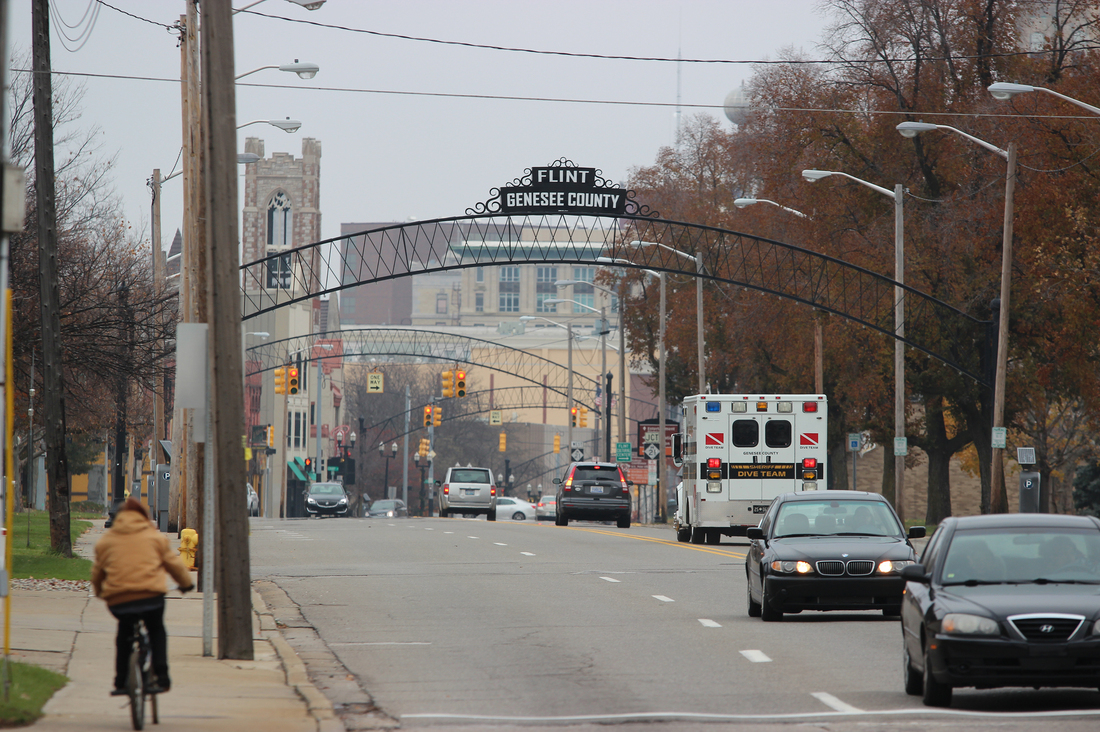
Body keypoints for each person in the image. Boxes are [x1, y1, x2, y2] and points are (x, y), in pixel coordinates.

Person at [92, 498, 194, 696]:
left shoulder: (107, 540)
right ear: (143, 516)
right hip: (151, 597)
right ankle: (162, 676)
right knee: (156, 630)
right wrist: (186, 584)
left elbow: (98, 573)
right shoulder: (155, 537)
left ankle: (120, 681)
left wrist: (99, 592)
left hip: (119, 600)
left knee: (124, 633)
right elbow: (174, 565)